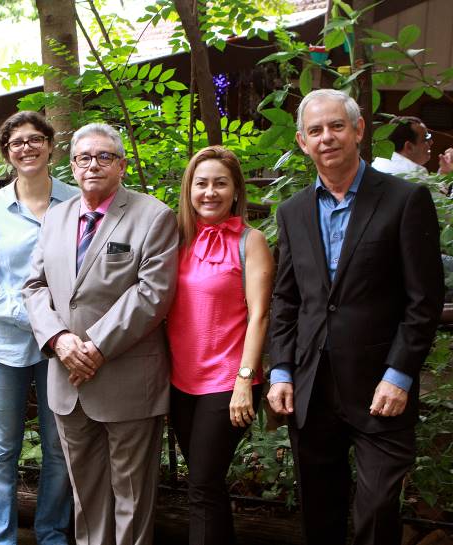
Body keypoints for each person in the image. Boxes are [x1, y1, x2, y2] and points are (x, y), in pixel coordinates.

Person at [267, 89, 445, 545]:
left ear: (359, 130)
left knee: (378, 508)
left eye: (336, 126)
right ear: (303, 142)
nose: (326, 137)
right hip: (312, 386)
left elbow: (424, 300)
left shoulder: (405, 200)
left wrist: (399, 375)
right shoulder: (292, 212)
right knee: (319, 510)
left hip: (380, 385)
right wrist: (281, 369)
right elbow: (287, 299)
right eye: (315, 130)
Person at [23, 123, 179, 545]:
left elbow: (152, 293)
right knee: (86, 496)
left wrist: (94, 346)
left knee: (132, 496)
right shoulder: (56, 217)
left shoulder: (154, 216)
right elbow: (35, 286)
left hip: (127, 380)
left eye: (104, 156)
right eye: (84, 158)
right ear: (73, 166)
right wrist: (59, 339)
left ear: (122, 165)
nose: (93, 165)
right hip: (67, 379)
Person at [0, 111, 75, 545]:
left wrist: (56, 328)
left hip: (61, 348)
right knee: (2, 449)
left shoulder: (75, 202)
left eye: (34, 139)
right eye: (16, 142)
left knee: (59, 447)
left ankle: (52, 533)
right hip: (3, 344)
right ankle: (0, 538)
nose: (26, 148)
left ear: (50, 145)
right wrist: (35, 318)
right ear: (6, 152)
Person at [167, 146, 274, 545]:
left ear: (235, 190)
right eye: (201, 184)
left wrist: (245, 379)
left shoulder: (251, 241)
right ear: (189, 190)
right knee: (206, 484)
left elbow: (259, 315)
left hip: (228, 381)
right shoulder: (176, 240)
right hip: (180, 382)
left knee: (202, 483)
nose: (210, 192)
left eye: (220, 183)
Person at [372, 115, 453, 178]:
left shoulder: (379, 161)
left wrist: (443, 172)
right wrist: (448, 174)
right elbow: (434, 195)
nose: (431, 142)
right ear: (409, 147)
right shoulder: (415, 172)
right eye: (426, 138)